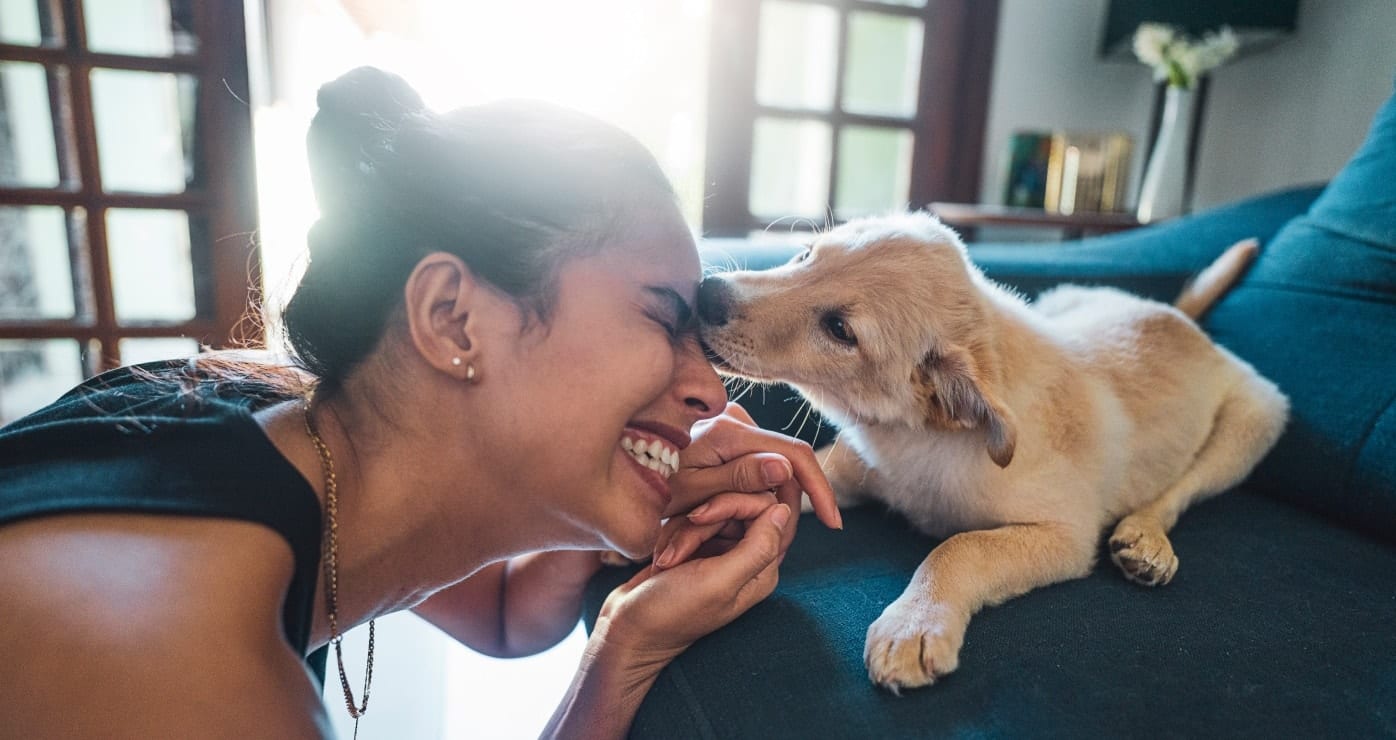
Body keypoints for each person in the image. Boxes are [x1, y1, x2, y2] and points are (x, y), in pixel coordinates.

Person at [0, 67, 842, 739]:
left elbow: (510, 615)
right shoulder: (182, 678)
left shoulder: (286, 430)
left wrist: (627, 603)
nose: (710, 390)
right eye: (665, 317)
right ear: (450, 317)